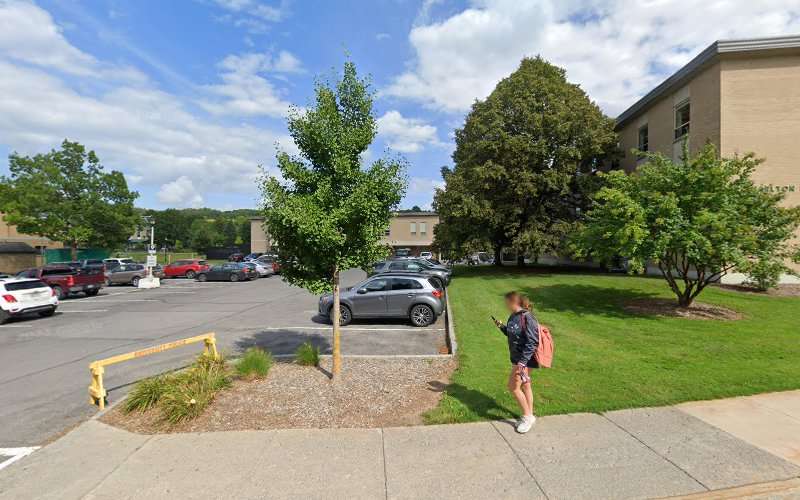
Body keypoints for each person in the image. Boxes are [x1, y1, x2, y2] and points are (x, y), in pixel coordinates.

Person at [493, 291, 539, 434]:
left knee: (513, 387)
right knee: (525, 386)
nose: (505, 305)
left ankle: (526, 417)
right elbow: (512, 333)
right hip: (518, 359)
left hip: (524, 360)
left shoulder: (528, 317)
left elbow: (532, 341)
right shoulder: (513, 316)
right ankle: (530, 416)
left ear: (514, 302)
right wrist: (501, 327)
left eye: (507, 302)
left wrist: (523, 362)